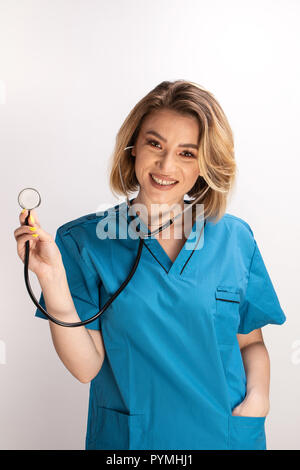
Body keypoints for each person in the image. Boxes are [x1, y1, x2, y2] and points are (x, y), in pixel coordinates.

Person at [14, 80, 286, 450]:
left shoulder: (235, 239)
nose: (166, 164)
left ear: (206, 165)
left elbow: (250, 342)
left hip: (227, 436)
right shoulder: (84, 242)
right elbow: (85, 368)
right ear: (133, 148)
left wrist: (259, 400)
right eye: (154, 144)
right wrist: (52, 279)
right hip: (135, 444)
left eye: (187, 153)